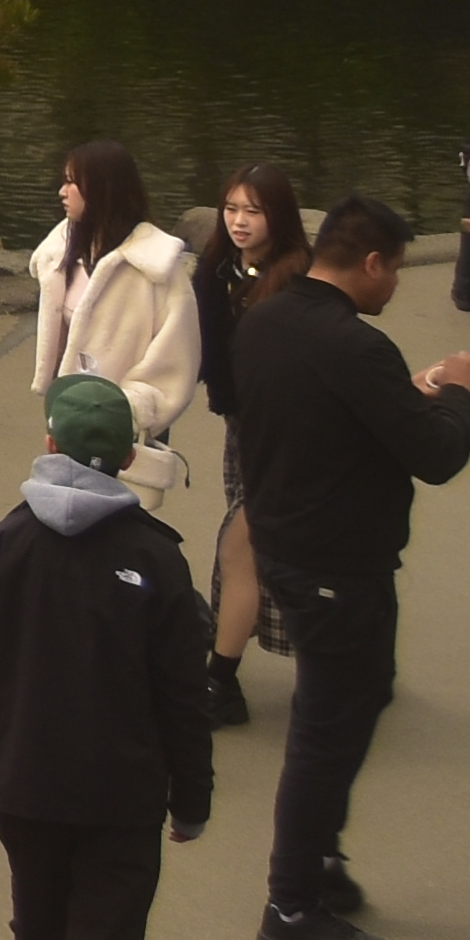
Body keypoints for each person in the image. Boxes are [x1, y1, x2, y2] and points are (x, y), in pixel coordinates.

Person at [231, 197, 470, 940]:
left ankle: (320, 861)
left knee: (349, 709)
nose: (396, 285)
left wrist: (406, 394)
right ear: (371, 263)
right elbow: (437, 457)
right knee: (327, 733)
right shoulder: (354, 345)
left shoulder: (265, 321)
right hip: (338, 564)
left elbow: (322, 414)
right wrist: (460, 393)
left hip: (287, 547)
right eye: (397, 269)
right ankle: (292, 903)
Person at [0, 373, 216, 940]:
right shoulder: (157, 556)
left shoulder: (8, 541)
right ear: (129, 457)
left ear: (49, 445)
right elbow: (183, 693)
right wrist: (192, 795)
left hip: (25, 784)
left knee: (38, 929)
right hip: (123, 798)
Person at [189, 160, 301, 733]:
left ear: (277, 216)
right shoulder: (215, 268)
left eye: (252, 211)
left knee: (248, 540)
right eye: (231, 209)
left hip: (289, 430)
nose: (238, 221)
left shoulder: (296, 277)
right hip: (242, 422)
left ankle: (221, 679)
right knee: (257, 540)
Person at [22, 140, 208, 469]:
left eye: (71, 182)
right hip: (68, 415)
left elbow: (177, 357)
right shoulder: (62, 251)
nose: (62, 193)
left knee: (117, 513)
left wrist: (130, 411)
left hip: (123, 426)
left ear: (102, 189)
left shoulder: (157, 267)